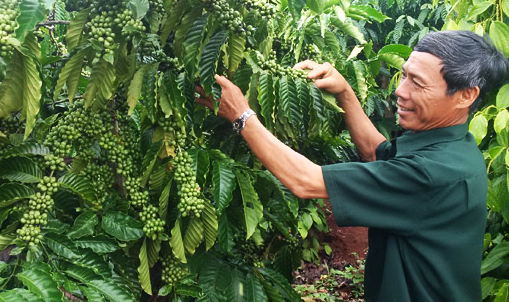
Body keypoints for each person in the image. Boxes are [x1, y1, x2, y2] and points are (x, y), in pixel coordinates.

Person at [195, 30, 509, 301]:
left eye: (418, 83)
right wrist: (346, 94)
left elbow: (304, 180)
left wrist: (242, 115)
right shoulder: (454, 147)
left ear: (465, 96)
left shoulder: (431, 175)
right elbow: (379, 153)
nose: (399, 91)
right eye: (405, 75)